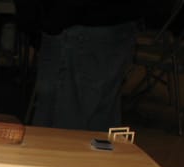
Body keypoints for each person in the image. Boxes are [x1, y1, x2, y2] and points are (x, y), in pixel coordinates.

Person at [17, 0, 147, 131]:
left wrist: (33, 22)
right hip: (116, 22)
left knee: (67, 122)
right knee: (99, 119)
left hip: (78, 24)